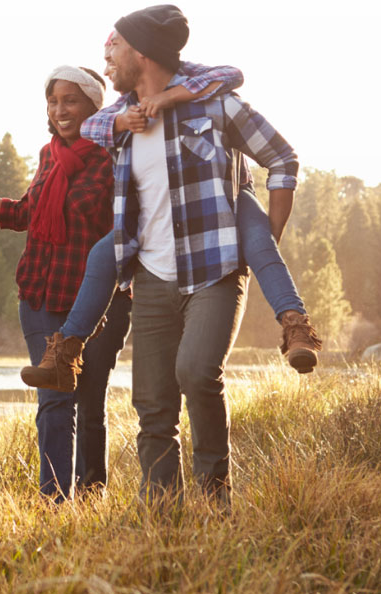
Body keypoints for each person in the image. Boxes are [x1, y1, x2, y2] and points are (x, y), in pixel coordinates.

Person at [75, 5, 302, 506]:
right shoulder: (119, 120)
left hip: (215, 269)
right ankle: (159, 509)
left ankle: (213, 500)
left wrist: (269, 235)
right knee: (153, 404)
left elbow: (282, 157)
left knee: (197, 373)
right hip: (151, 275)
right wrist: (124, 121)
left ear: (141, 51)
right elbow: (87, 130)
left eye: (114, 49)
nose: (107, 60)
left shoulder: (217, 106)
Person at [0, 65, 126, 502]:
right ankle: (54, 500)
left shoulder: (114, 158)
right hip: (41, 294)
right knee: (54, 400)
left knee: (89, 399)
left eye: (70, 100)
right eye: (53, 101)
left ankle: (91, 490)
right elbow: (25, 212)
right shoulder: (48, 156)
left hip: (95, 301)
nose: (60, 109)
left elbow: (125, 229)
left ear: (93, 106)